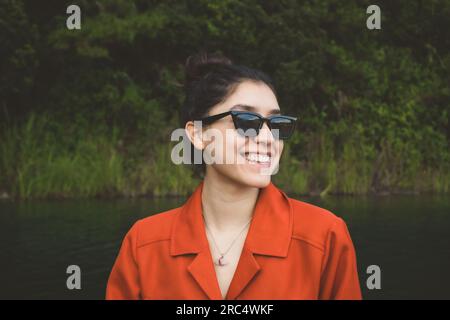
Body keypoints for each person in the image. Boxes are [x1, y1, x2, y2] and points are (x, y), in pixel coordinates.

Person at [106, 52, 362, 300]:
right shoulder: (144, 243)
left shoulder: (324, 237)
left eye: (276, 124)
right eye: (246, 121)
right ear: (197, 134)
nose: (266, 138)